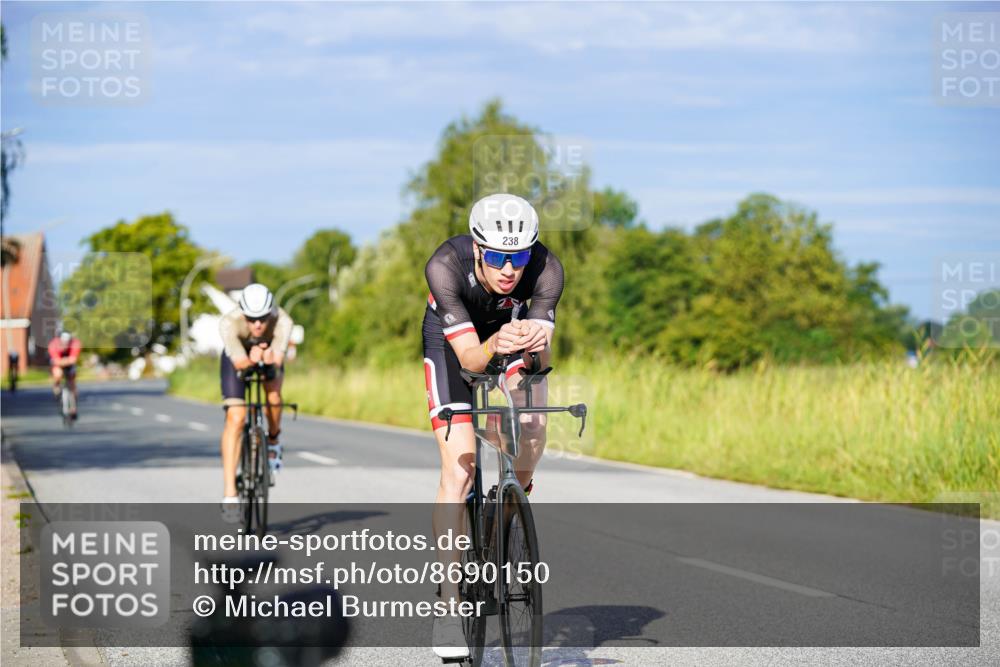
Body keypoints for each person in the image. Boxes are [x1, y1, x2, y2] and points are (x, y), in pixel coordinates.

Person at [422, 193, 563, 659]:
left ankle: (507, 515)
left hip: (511, 335)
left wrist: (531, 347)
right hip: (453, 343)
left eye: (519, 256)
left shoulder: (547, 270)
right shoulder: (445, 266)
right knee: (459, 468)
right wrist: (494, 342)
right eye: (499, 257)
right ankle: (448, 600)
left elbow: (540, 360)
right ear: (479, 249)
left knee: (534, 426)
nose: (509, 268)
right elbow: (468, 359)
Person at [218, 283, 293, 522]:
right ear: (243, 314)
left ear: (270, 312)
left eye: (262, 318)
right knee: (236, 418)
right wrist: (251, 357)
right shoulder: (228, 323)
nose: (258, 325)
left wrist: (269, 358)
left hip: (268, 354)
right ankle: (230, 493)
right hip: (237, 358)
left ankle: (272, 440)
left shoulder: (283, 321)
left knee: (273, 395)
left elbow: (278, 361)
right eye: (251, 319)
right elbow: (240, 363)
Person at [48, 331, 81, 419]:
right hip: (58, 363)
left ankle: (74, 407)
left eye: (67, 343)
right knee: (58, 373)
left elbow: (73, 360)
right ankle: (56, 386)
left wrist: (66, 361)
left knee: (72, 382)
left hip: (69, 364)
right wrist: (66, 360)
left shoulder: (75, 343)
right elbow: (56, 361)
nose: (65, 345)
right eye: (63, 343)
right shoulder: (53, 345)